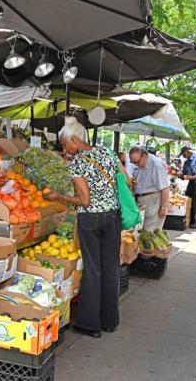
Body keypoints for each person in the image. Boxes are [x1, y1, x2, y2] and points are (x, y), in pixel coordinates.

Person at [44, 117, 122, 339]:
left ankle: (90, 324)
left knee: (93, 268)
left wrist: (59, 196)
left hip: (91, 219)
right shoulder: (107, 153)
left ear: (75, 139)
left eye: (64, 143)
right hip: (112, 217)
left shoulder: (78, 163)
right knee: (110, 268)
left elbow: (85, 201)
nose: (64, 148)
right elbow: (124, 178)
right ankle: (110, 321)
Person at [129, 146, 170, 231]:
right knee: (142, 231)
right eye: (133, 162)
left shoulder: (156, 165)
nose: (135, 165)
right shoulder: (142, 164)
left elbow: (165, 188)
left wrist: (163, 207)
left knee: (150, 232)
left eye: (136, 162)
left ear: (144, 156)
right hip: (142, 200)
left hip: (153, 200)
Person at [180, 146, 196, 229]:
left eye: (183, 154)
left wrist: (191, 177)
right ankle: (190, 220)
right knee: (188, 201)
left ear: (187, 151)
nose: (183, 156)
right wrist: (181, 175)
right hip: (190, 183)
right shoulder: (186, 162)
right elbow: (183, 174)